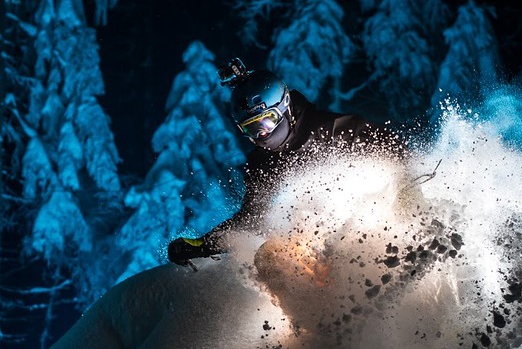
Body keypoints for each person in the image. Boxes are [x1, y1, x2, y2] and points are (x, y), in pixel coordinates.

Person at [167, 58, 405, 267]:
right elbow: (251, 220)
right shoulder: (263, 165)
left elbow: (393, 151)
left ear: (284, 107)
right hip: (318, 248)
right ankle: (320, 309)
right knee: (270, 256)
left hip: (373, 228)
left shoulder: (332, 130)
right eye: (250, 129)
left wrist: (406, 192)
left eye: (266, 122)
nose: (260, 135)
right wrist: (201, 245)